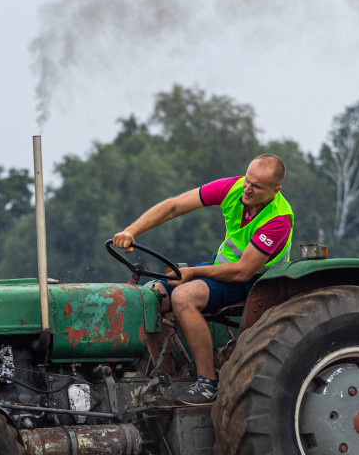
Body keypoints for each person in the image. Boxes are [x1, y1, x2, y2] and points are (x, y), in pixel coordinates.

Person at [112, 154, 294, 404]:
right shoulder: (233, 187)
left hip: (255, 284)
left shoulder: (279, 220)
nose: (247, 189)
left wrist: (193, 273)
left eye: (257, 186)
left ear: (276, 190)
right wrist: (131, 231)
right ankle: (165, 378)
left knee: (184, 296)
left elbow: (243, 270)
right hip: (222, 269)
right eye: (247, 180)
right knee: (153, 295)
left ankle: (207, 382)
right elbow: (175, 206)